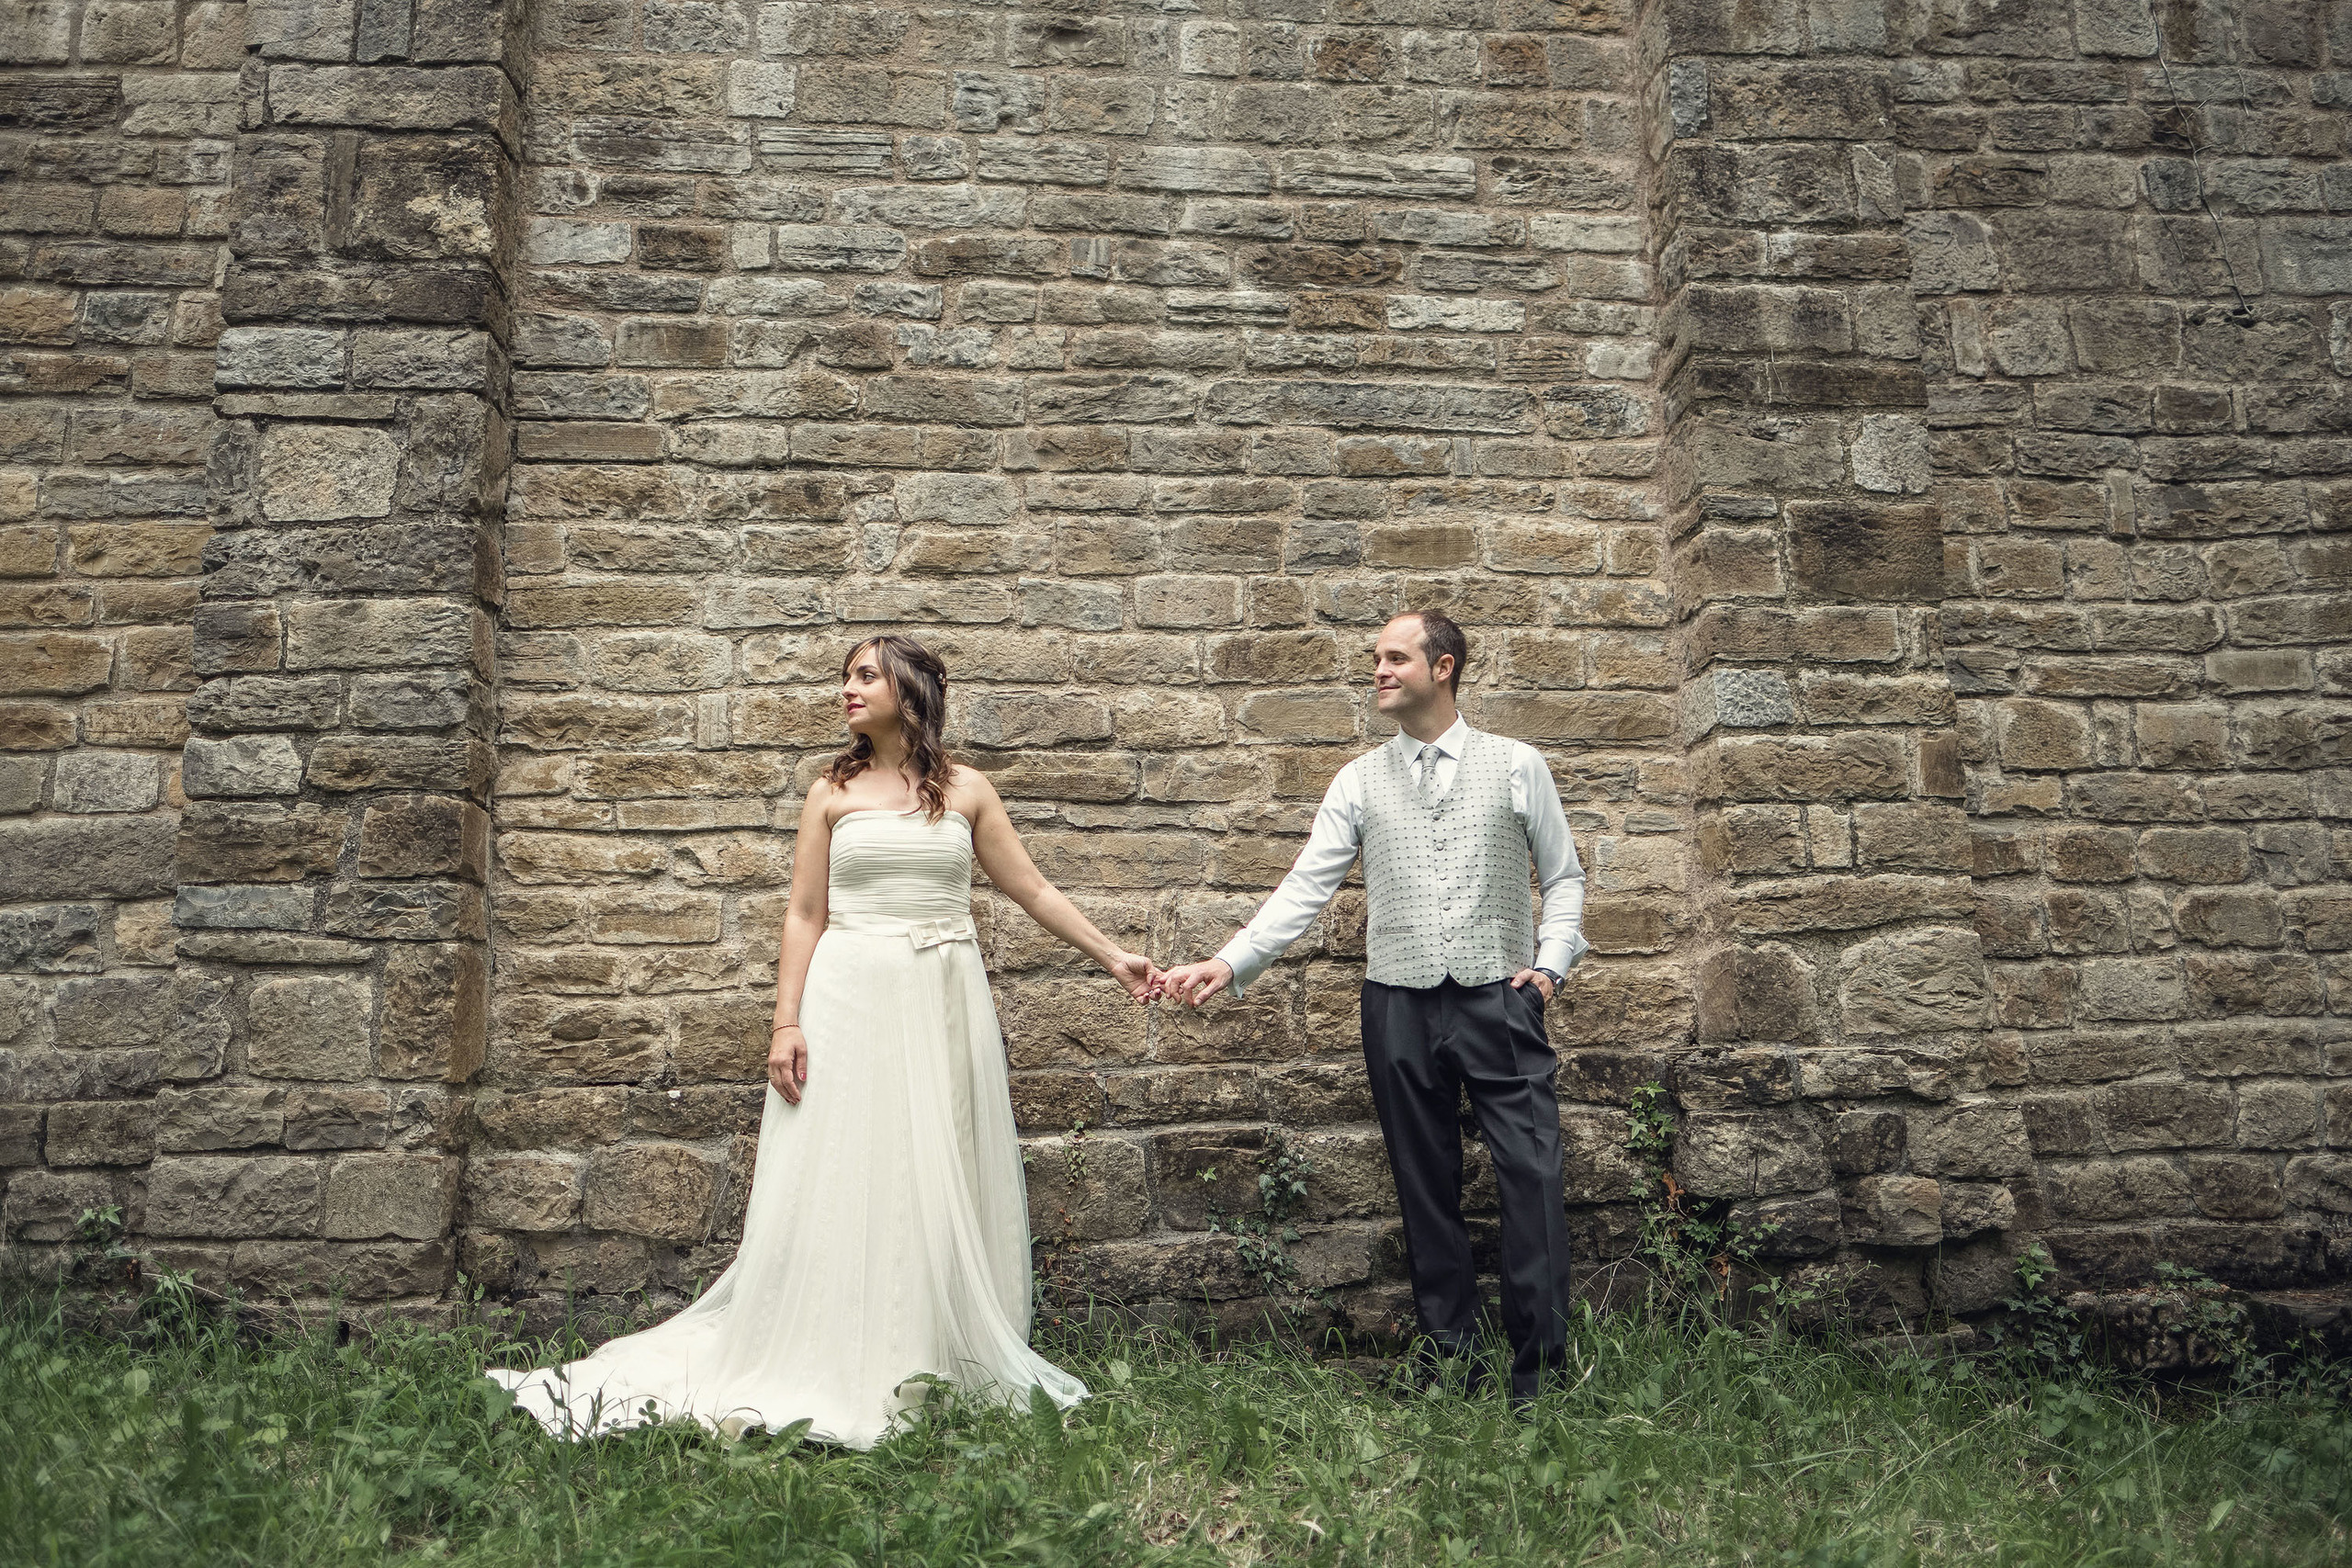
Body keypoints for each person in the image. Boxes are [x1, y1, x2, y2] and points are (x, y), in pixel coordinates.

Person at [488, 634, 1161, 1447]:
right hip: (850, 997)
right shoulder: (829, 794)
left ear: (911, 688)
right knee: (846, 1167)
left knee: (929, 1168)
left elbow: (1035, 888)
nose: (848, 687)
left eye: (865, 675)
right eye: (847, 675)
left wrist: (1113, 956)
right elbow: (805, 914)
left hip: (942, 1000)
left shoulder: (968, 791)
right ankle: (828, 1347)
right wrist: (786, 1021)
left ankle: (925, 1348)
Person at [1155, 610, 1589, 1407]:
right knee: (1424, 1187)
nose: (1379, 671)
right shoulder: (1358, 779)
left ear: (1443, 666)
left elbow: (1563, 877)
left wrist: (1551, 967)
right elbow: (1305, 886)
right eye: (1376, 659)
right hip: (1397, 1004)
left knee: (1533, 1178)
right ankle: (1452, 1362)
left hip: (1500, 998)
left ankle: (1541, 1377)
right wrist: (1231, 960)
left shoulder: (1518, 764)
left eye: (1395, 657)